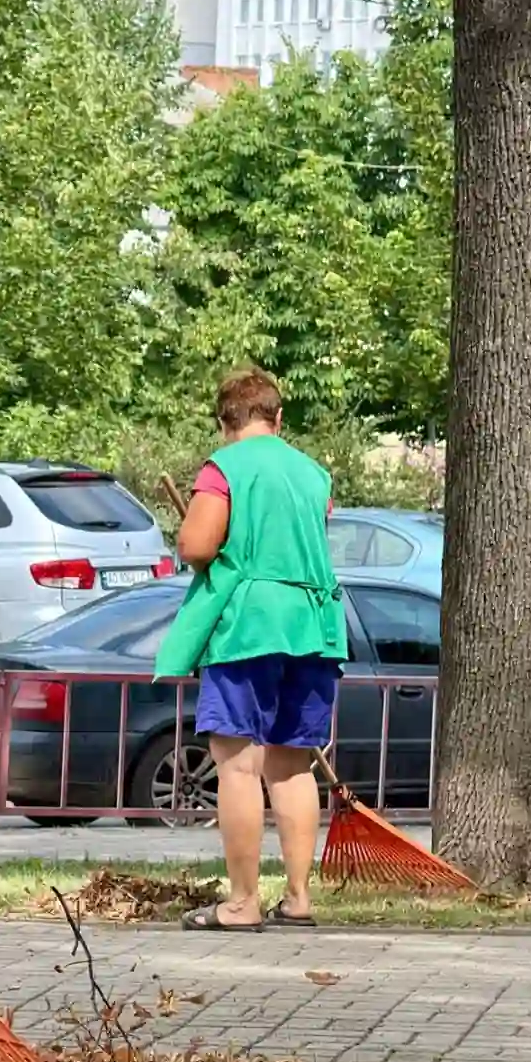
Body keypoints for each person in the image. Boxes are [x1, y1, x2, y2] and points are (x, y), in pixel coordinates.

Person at [155, 366, 346, 932]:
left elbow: (197, 543)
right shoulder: (313, 474)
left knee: (238, 764)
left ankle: (240, 903)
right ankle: (298, 898)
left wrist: (199, 539)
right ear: (277, 417)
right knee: (292, 766)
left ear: (224, 421)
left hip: (250, 627)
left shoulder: (225, 468)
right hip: (314, 625)